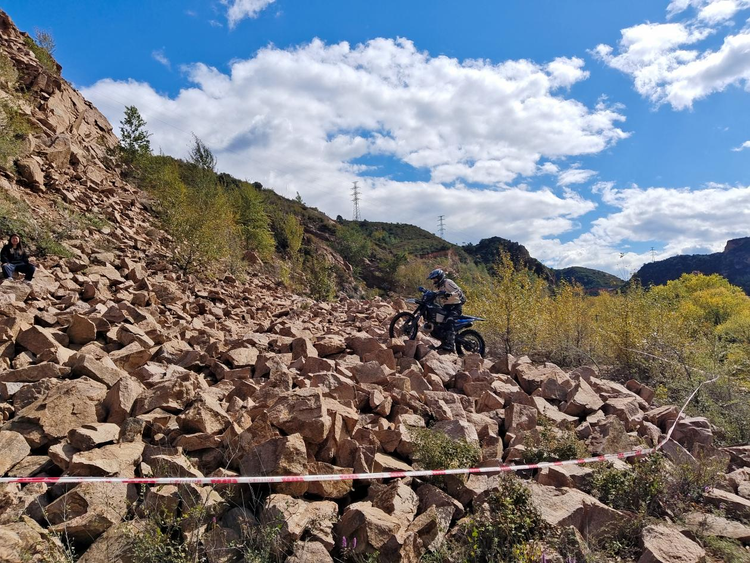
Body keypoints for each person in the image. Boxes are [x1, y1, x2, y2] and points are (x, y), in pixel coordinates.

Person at [427, 268, 465, 352]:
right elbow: (435, 293)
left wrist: (448, 294)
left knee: (449, 320)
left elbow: (458, 291)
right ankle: (444, 342)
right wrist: (426, 292)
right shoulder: (439, 286)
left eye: (435, 278)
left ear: (440, 277)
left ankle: (450, 345)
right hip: (447, 306)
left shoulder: (448, 282)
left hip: (455, 306)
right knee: (438, 323)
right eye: (433, 279)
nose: (434, 280)